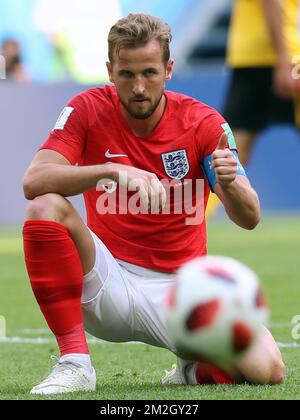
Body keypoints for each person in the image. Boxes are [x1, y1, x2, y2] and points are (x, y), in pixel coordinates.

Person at [22, 13, 285, 395]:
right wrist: (109, 171)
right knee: (44, 207)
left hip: (183, 292)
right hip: (109, 281)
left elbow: (250, 217)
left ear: (169, 69)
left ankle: (191, 370)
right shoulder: (87, 108)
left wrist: (230, 183)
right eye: (127, 75)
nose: (139, 87)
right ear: (110, 71)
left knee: (268, 368)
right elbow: (34, 181)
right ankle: (75, 364)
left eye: (150, 72)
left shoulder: (202, 123)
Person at [224, 0, 300, 165]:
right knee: (232, 151)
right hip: (279, 58)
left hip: (255, 56)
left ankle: (220, 190)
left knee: (233, 150)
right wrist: (284, 58)